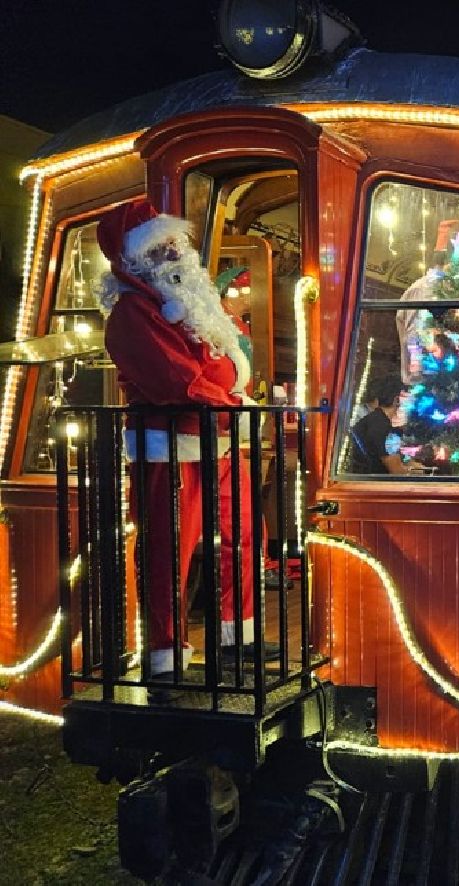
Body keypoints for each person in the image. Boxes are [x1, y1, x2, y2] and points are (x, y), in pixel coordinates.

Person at [97, 199, 271, 680]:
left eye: (175, 241)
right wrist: (236, 405)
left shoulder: (194, 301)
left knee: (243, 536)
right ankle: (166, 653)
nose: (174, 251)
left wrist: (235, 397)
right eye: (160, 245)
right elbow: (179, 382)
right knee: (170, 548)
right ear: (136, 259)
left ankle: (238, 635)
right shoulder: (134, 313)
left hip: (220, 439)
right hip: (170, 448)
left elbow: (227, 361)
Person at [348, 373, 415, 475]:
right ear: (396, 400)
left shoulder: (376, 420)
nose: (412, 403)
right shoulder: (384, 429)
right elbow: (398, 472)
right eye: (408, 398)